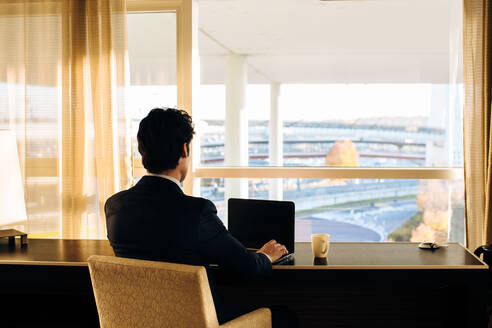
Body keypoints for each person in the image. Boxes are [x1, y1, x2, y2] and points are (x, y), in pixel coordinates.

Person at [105, 107, 297, 327]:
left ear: (142, 152)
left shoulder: (114, 206)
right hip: (196, 321)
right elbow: (247, 266)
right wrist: (265, 256)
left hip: (141, 321)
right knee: (285, 317)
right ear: (185, 149)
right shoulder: (196, 212)